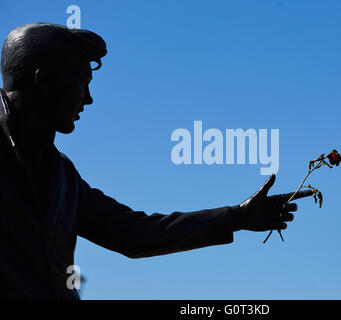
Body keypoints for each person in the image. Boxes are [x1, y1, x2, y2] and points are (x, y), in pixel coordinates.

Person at [0, 23, 313, 300]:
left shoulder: (62, 175)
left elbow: (135, 233)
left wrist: (237, 217)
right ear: (44, 80)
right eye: (81, 83)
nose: (89, 98)